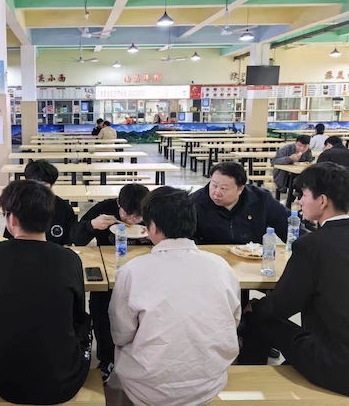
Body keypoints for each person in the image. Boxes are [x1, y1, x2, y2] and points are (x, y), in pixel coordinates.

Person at [239, 162, 349, 400]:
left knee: (258, 317)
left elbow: (282, 306)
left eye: (304, 195)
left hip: (343, 369)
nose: (299, 202)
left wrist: (252, 307)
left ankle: (249, 384)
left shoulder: (312, 245)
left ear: (322, 201)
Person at [110, 187, 241, 406]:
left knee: (123, 357)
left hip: (148, 388)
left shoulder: (132, 271)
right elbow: (233, 320)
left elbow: (121, 334)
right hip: (209, 382)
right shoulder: (221, 266)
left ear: (152, 227)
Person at [0, 180, 91, 404]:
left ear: (12, 219)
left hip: (4, 380)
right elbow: (77, 317)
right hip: (64, 382)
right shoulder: (69, 258)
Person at [71, 183, 150, 383]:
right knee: (101, 308)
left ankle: (139, 358)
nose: (131, 220)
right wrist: (91, 225)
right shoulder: (104, 209)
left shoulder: (153, 211)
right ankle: (106, 358)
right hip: (110, 269)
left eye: (137, 217)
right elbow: (76, 238)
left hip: (146, 272)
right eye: (127, 215)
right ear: (118, 204)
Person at [192, 162, 292, 244]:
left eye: (224, 188)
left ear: (240, 189)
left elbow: (289, 225)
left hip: (251, 258)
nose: (216, 193)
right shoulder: (194, 202)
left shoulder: (261, 199)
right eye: (214, 185)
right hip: (211, 258)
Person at [3, 160, 77, 245]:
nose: (38, 191)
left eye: (44, 186)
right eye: (33, 186)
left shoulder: (64, 208)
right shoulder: (18, 206)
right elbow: (10, 240)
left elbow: (68, 242)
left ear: (52, 185)